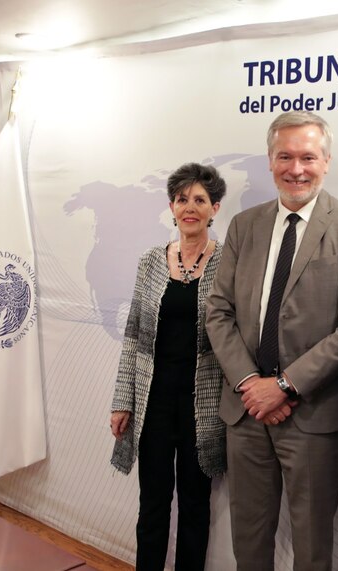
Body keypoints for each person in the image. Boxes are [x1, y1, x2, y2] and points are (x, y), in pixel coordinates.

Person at [206, 111, 338, 571]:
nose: (296, 168)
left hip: (313, 413)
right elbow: (218, 312)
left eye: (307, 157)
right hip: (246, 412)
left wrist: (281, 387)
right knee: (249, 536)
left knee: (312, 543)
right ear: (270, 160)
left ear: (326, 161)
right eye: (285, 156)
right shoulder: (244, 226)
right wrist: (250, 383)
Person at [109, 162, 227, 571]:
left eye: (199, 200)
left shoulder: (229, 262)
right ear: (172, 207)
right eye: (181, 199)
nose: (189, 208)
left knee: (196, 505)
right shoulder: (151, 262)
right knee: (153, 502)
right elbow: (132, 336)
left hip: (203, 406)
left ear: (215, 208)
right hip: (154, 402)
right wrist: (123, 400)